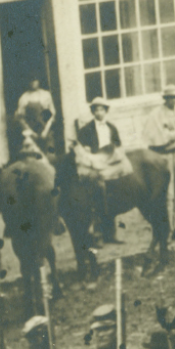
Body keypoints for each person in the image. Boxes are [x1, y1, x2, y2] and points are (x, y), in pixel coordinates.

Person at [1, 141, 59, 317]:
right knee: (43, 251)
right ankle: (46, 295)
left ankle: (29, 299)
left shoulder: (8, 173)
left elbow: (5, 203)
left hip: (18, 221)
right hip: (42, 218)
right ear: (35, 155)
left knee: (25, 260)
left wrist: (10, 222)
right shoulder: (45, 169)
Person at [144, 86, 175, 250]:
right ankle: (168, 231)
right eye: (169, 98)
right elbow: (156, 136)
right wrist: (174, 135)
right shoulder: (157, 114)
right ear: (165, 99)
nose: (172, 101)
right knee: (168, 194)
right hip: (164, 158)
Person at [76, 98, 126, 244]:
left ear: (106, 111)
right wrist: (88, 152)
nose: (99, 113)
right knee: (99, 194)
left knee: (114, 194)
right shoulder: (86, 130)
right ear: (92, 112)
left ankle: (111, 233)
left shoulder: (111, 127)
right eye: (96, 110)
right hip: (94, 164)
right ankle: (97, 234)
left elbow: (118, 145)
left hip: (110, 162)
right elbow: (82, 150)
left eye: (102, 110)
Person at [16, 79, 59, 157]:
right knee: (36, 159)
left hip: (47, 133)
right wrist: (31, 133)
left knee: (51, 156)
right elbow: (20, 119)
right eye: (31, 80)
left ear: (38, 81)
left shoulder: (46, 95)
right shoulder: (24, 98)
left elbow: (52, 114)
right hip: (32, 134)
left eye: (35, 80)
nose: (33, 82)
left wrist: (45, 131)